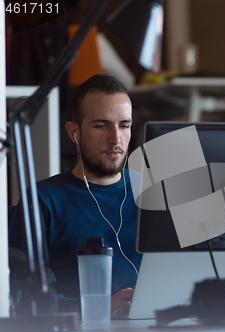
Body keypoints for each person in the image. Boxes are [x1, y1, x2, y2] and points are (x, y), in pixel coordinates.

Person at [9, 74, 142, 316]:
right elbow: (19, 295)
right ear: (74, 132)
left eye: (124, 125)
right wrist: (95, 308)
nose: (116, 139)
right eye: (101, 126)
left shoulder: (154, 192)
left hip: (156, 328)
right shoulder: (43, 200)